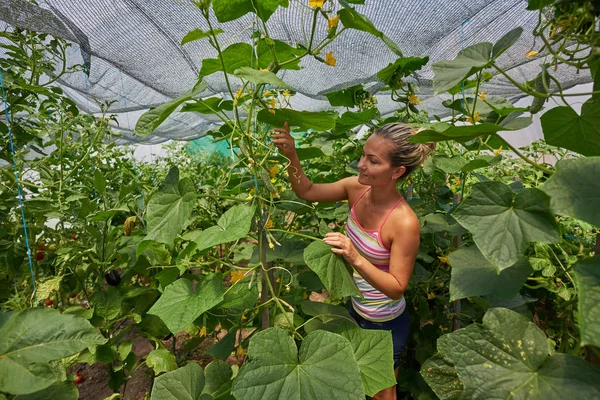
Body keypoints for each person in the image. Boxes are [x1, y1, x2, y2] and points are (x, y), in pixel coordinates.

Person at [271, 121, 435, 400]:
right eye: (363, 155)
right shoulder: (355, 189)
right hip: (356, 311)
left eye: (372, 160)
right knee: (355, 387)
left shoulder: (404, 222)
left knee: (382, 394)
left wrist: (354, 256)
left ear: (397, 171)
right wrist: (292, 156)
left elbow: (396, 286)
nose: (360, 164)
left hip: (386, 324)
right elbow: (307, 192)